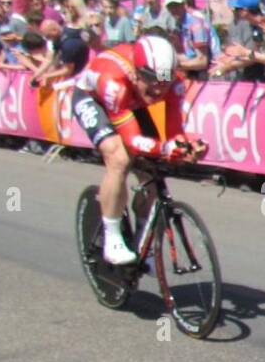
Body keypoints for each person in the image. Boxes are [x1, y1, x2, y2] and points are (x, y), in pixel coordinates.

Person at [51, 34, 206, 266]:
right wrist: (164, 147)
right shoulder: (114, 82)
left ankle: (143, 242)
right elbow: (133, 140)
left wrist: (187, 147)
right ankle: (112, 238)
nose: (158, 89)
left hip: (131, 104)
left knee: (153, 172)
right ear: (135, 72)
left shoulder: (172, 84)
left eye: (165, 80)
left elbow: (174, 133)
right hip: (95, 99)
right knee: (119, 158)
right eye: (151, 79)